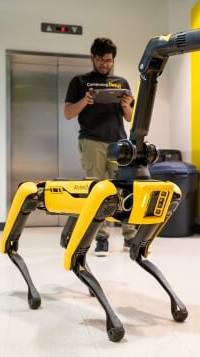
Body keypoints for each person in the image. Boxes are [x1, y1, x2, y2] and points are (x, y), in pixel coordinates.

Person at [64, 37, 137, 257]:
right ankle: (101, 239)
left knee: (122, 189)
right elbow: (68, 113)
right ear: (92, 58)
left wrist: (126, 105)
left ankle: (130, 237)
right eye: (100, 60)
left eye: (108, 60)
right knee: (96, 191)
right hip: (91, 141)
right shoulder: (80, 81)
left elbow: (130, 116)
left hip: (118, 143)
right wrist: (85, 101)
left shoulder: (121, 82)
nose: (105, 64)